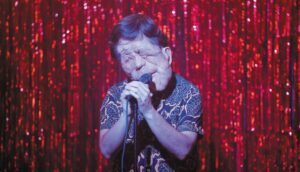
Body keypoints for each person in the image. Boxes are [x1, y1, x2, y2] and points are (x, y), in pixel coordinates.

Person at [99, 13, 203, 171]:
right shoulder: (117, 94)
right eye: (128, 59)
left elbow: (183, 149)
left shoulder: (188, 93)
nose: (138, 64)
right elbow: (106, 150)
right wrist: (126, 113)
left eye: (143, 54)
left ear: (167, 55)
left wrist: (147, 110)